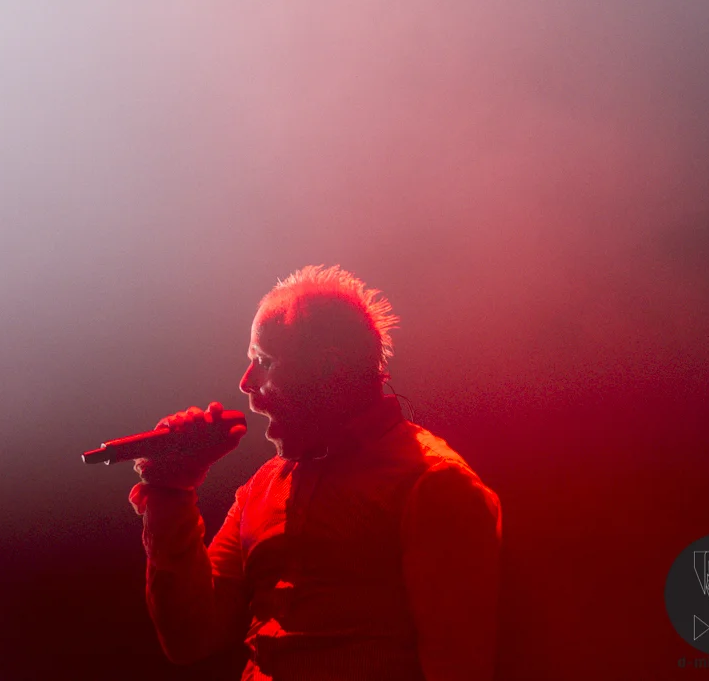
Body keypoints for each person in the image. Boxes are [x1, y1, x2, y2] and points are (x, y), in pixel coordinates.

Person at [129, 264, 502, 681]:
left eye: (264, 361)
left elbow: (459, 667)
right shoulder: (262, 487)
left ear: (329, 369)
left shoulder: (434, 485)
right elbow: (189, 639)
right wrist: (170, 492)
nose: (245, 382)